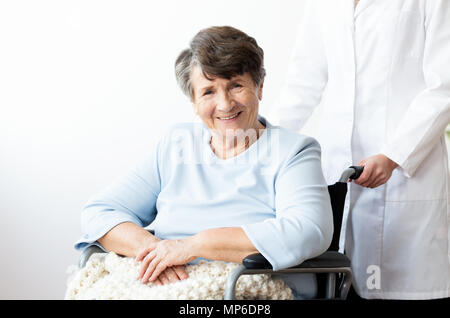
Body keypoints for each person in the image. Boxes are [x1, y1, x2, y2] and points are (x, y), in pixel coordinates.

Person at [74, 26, 333, 298]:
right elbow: (99, 212)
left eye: (236, 85)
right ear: (194, 100)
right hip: (167, 285)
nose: (224, 104)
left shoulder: (294, 152)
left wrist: (193, 246)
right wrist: (153, 251)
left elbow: (308, 230)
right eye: (208, 92)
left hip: (249, 287)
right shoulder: (176, 145)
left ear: (259, 86)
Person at [275, 0, 450, 299]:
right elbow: (303, 81)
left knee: (401, 289)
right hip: (339, 173)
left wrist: (394, 155)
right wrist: (264, 143)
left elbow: (444, 84)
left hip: (407, 178)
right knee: (341, 284)